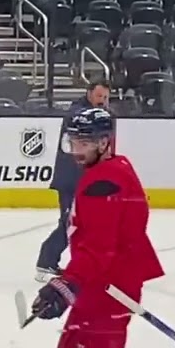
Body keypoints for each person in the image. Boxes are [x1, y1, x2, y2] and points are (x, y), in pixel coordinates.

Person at [30, 106, 164, 348]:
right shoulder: (99, 174)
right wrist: (69, 286)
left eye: (84, 142)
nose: (76, 149)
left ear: (106, 142)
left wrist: (63, 287)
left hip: (111, 290)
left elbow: (100, 251)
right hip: (95, 287)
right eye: (73, 141)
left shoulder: (108, 181)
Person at [34, 80, 111, 282]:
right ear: (88, 94)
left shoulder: (92, 115)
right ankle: (46, 261)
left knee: (81, 224)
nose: (102, 101)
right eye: (99, 96)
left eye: (105, 97)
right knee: (69, 222)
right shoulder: (78, 115)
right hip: (70, 180)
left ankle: (82, 263)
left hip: (82, 180)